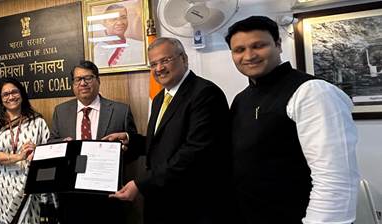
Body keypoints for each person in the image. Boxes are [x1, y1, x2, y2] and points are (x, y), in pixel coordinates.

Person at [225, 16, 360, 224]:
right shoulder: (242, 99)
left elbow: (334, 178)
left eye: (258, 46)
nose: (249, 56)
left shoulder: (313, 92)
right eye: (239, 50)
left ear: (278, 45)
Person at [105, 37, 232, 223]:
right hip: (162, 200)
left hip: (191, 204)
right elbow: (164, 142)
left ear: (184, 59)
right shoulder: (160, 98)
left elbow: (194, 151)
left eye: (165, 60)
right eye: (153, 64)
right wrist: (131, 140)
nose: (158, 68)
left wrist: (142, 184)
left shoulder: (205, 93)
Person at [49, 60, 138, 224]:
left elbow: (134, 150)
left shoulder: (120, 111)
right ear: (73, 84)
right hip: (71, 197)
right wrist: (63, 145)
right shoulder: (60, 111)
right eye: (78, 79)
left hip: (108, 197)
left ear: (98, 80)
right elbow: (52, 143)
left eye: (88, 78)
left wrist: (124, 149)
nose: (83, 83)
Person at [0, 78, 51, 224]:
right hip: (4, 183)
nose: (11, 97)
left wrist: (37, 151)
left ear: (21, 94)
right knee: (7, 220)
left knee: (30, 219)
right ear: (0, 100)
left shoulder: (37, 121)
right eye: (5, 94)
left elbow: (48, 151)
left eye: (14, 92)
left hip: (29, 181)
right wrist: (20, 156)